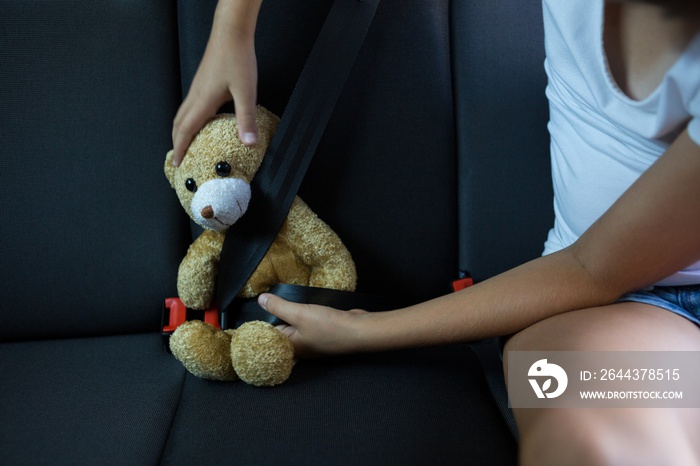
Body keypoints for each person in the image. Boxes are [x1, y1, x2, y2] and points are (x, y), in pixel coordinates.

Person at [172, 0, 700, 464]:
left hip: (598, 279)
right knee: (591, 440)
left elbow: (596, 268)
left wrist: (361, 331)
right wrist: (231, 28)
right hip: (627, 314)